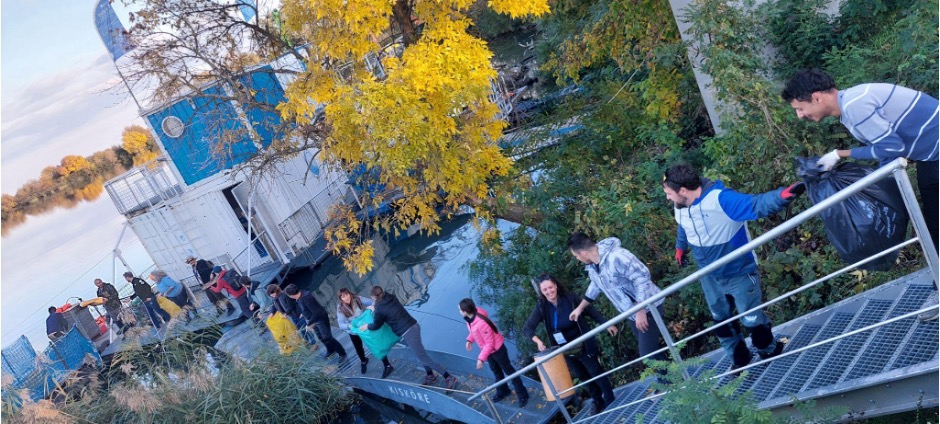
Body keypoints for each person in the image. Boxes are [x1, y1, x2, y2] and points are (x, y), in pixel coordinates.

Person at [782, 69, 939, 320]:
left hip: (934, 153)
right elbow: (886, 152)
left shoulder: (856, 106)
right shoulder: (850, 109)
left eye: (800, 108)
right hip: (930, 155)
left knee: (935, 226)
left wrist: (840, 154)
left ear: (817, 97)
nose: (800, 116)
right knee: (933, 225)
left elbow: (892, 147)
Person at [662, 163, 803, 370]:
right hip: (709, 276)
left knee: (751, 319)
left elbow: (756, 204)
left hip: (739, 271)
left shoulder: (720, 200)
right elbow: (684, 225)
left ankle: (769, 350)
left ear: (683, 190)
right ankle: (740, 358)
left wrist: (784, 195)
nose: (668, 198)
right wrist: (680, 247)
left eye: (669, 193)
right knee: (721, 321)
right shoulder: (680, 206)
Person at [566, 233, 669, 376]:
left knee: (647, 354)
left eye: (576, 256)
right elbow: (595, 286)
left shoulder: (617, 256)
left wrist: (641, 309)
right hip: (632, 314)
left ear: (583, 253)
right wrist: (579, 308)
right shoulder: (594, 267)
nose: (577, 259)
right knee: (653, 351)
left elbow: (642, 276)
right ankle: (672, 380)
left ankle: (668, 383)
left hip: (649, 308)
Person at [524, 274, 617, 415]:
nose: (549, 291)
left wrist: (607, 324)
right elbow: (527, 328)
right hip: (565, 350)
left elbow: (590, 311)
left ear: (556, 285)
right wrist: (537, 341)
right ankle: (597, 400)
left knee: (595, 371)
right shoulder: (542, 307)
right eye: (545, 290)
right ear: (541, 292)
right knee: (582, 375)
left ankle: (610, 399)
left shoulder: (570, 298)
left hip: (583, 343)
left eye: (550, 287)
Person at [359, 286, 459, 390]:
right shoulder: (391, 297)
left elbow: (376, 325)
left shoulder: (379, 309)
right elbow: (386, 308)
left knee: (423, 358)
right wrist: (375, 307)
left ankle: (449, 377)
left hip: (408, 332)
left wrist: (367, 326)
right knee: (420, 355)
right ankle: (430, 376)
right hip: (414, 326)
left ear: (373, 297)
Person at [460, 298, 529, 407]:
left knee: (509, 371)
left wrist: (481, 359)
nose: (459, 311)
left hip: (498, 350)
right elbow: (475, 332)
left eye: (460, 310)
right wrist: (469, 340)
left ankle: (523, 394)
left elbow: (490, 343)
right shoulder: (470, 319)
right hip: (489, 351)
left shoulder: (481, 323)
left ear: (465, 311)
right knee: (496, 371)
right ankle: (503, 390)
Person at [336, 288, 393, 375]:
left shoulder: (357, 299)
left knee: (375, 344)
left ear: (350, 294)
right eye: (343, 297)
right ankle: (363, 361)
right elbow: (340, 324)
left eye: (347, 295)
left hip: (365, 327)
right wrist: (349, 326)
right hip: (354, 331)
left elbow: (372, 302)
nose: (346, 298)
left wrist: (372, 307)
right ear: (341, 299)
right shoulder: (340, 308)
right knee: (358, 348)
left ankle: (387, 365)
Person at [285, 284, 347, 361]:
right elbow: (305, 308)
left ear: (291, 295)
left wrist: (308, 324)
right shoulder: (299, 297)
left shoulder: (306, 297)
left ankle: (342, 353)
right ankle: (330, 349)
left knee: (327, 337)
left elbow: (317, 312)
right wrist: (303, 313)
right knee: (320, 336)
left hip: (320, 318)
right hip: (313, 319)